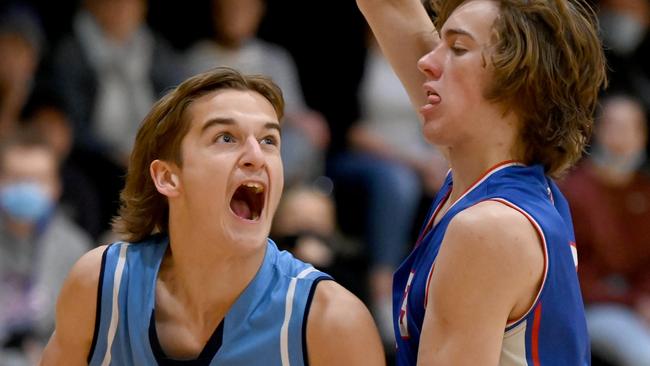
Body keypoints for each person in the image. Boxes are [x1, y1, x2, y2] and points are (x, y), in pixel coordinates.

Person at [40, 67, 384, 365]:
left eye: (269, 140)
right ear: (168, 177)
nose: (255, 156)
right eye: (226, 137)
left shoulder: (331, 321)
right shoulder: (101, 285)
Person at [357, 0, 606, 364]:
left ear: (521, 82)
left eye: (457, 48)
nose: (426, 62)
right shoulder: (511, 189)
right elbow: (390, 8)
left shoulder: (491, 228)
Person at [186, 0, 330, 187]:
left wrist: (303, 120)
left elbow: (291, 109)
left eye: (245, 9)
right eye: (230, 8)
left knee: (300, 142)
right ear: (216, 11)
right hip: (224, 140)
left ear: (259, 12)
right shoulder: (196, 59)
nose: (236, 15)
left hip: (270, 137)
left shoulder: (276, 59)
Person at [560, 94, 650, 365]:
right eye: (615, 126)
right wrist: (633, 300)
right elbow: (572, 274)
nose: (623, 137)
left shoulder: (644, 190)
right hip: (595, 307)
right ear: (599, 131)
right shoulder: (574, 191)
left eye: (631, 127)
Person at [0, 130, 90, 365]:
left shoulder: (76, 248)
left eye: (38, 179)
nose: (27, 188)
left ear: (55, 186)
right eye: (17, 178)